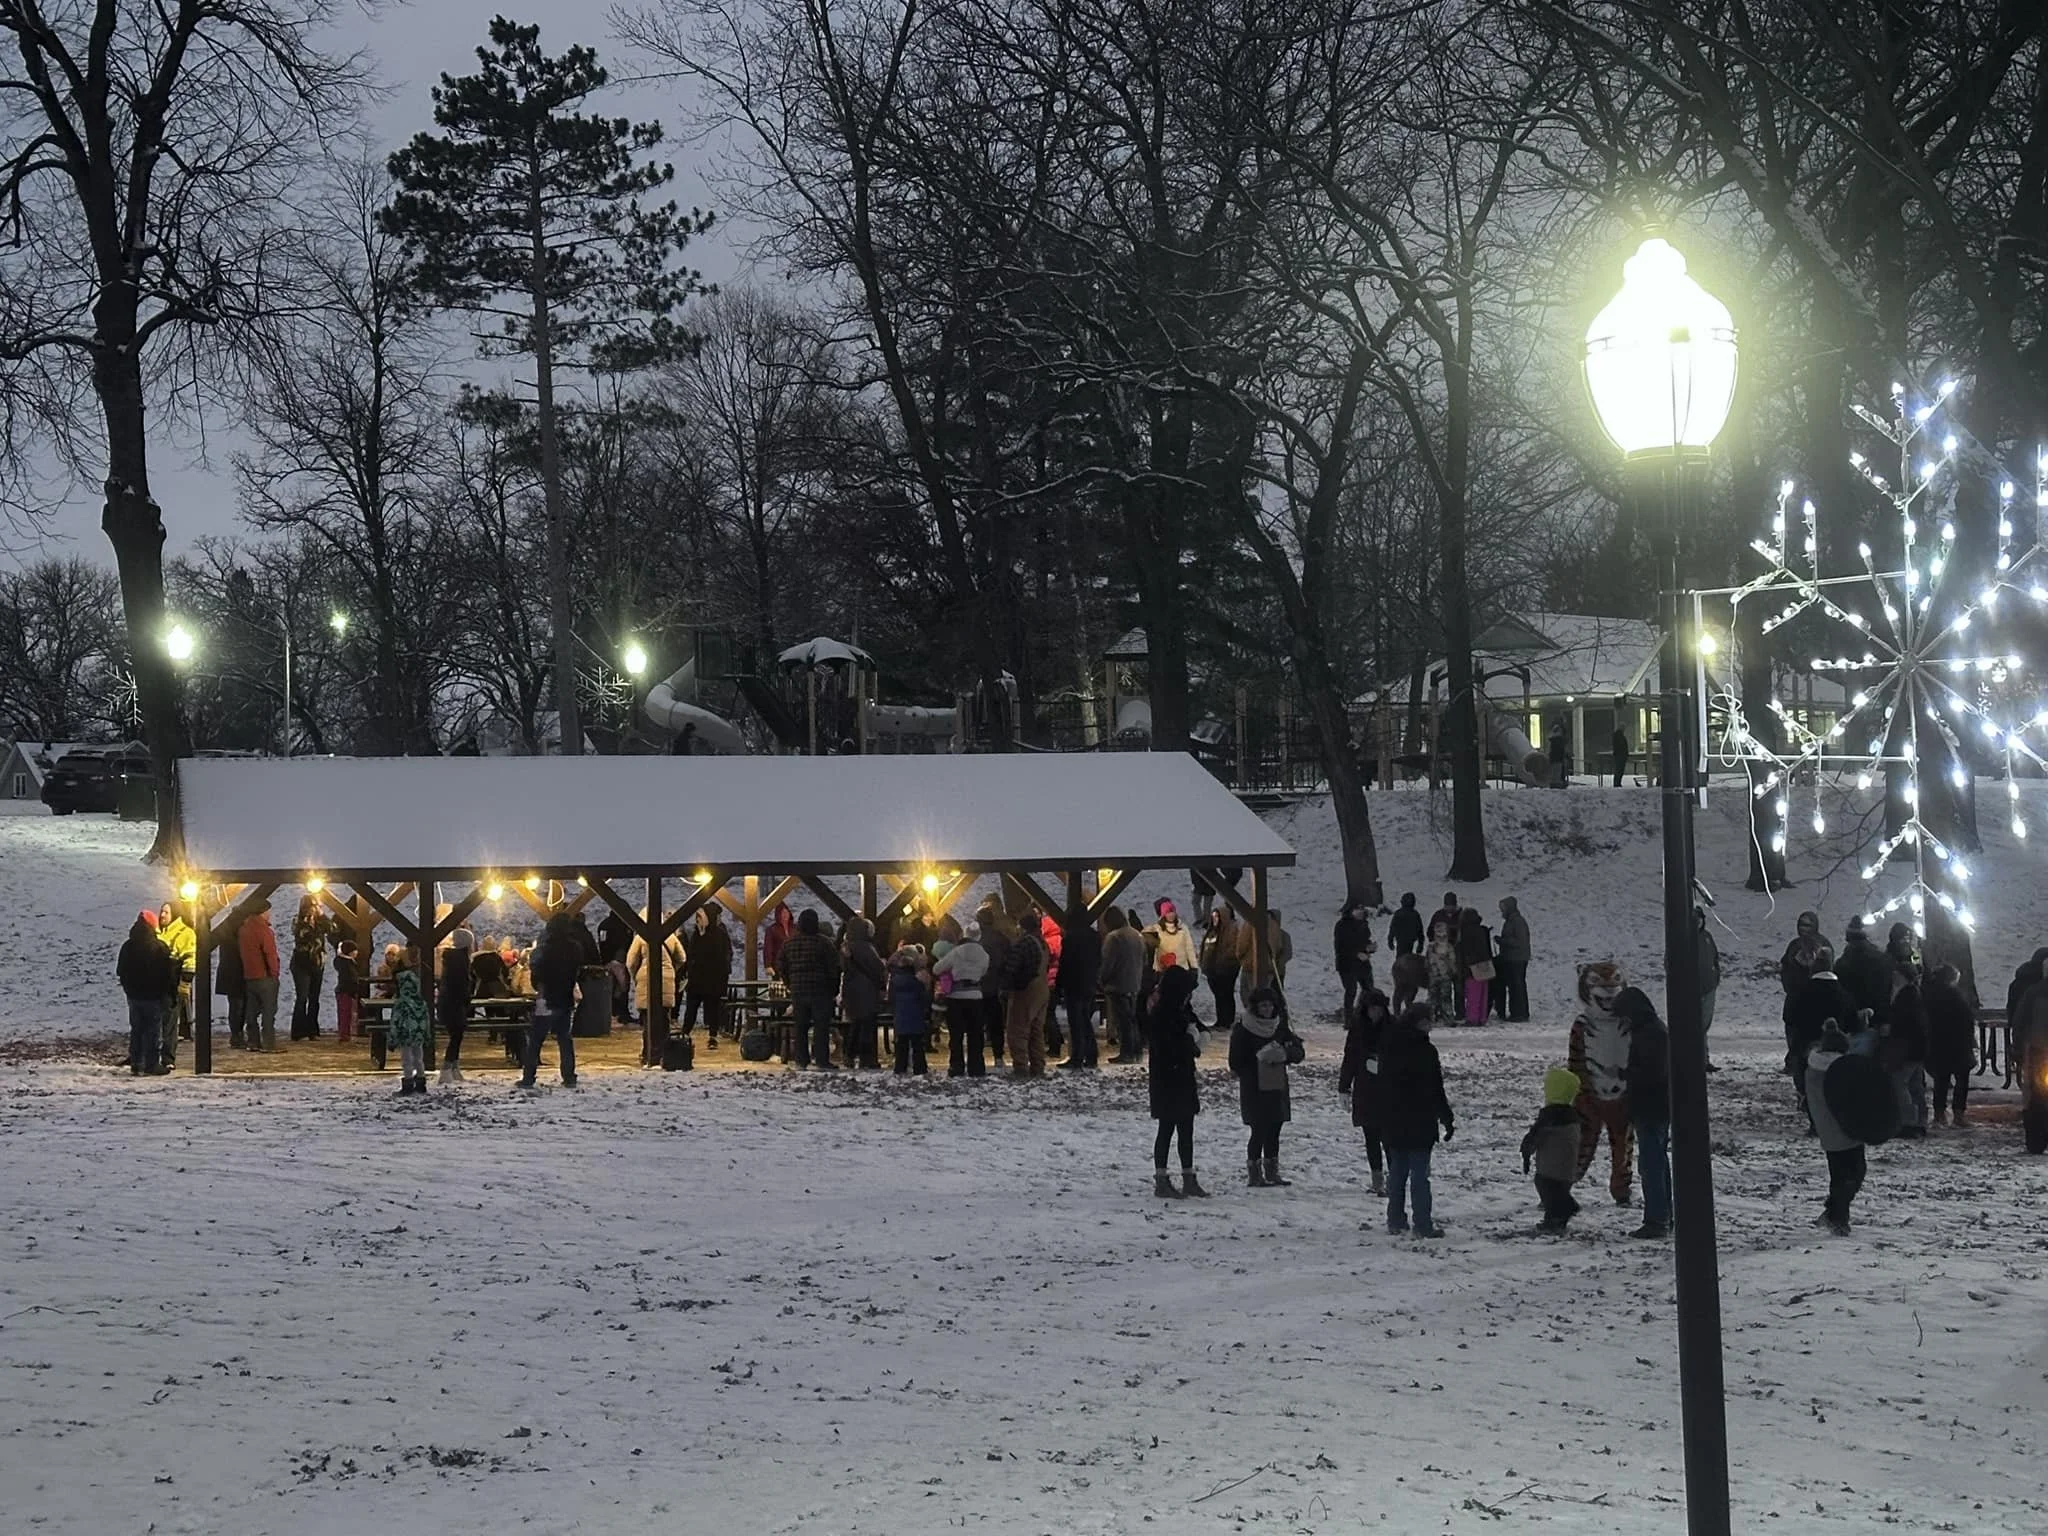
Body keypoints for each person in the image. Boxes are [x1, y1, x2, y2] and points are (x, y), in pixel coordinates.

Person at [1378, 1002, 1454, 1236]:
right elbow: (1435, 1087)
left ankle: (1395, 1219)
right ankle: (1422, 1223)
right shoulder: (1425, 1050)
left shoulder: (1390, 1045)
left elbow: (1382, 1083)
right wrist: (1446, 1117)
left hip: (1394, 1117)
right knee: (1420, 1174)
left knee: (1398, 1172)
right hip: (1420, 1117)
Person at [1568, 961, 1634, 1205]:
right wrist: (1580, 1092)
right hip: (1590, 1096)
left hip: (1622, 1095)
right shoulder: (1582, 1025)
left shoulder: (1629, 1023)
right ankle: (1562, 1187)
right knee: (1580, 1146)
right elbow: (1575, 1061)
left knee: (1623, 1148)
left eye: (1614, 983)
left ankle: (1622, 1190)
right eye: (1598, 983)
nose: (1607, 990)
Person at [1230, 986, 1304, 1186]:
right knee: (1259, 1128)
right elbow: (1235, 1061)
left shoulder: (1279, 1027)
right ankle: (1254, 1171)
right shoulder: (1244, 1029)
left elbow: (1298, 1051)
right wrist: (1259, 1060)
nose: (1267, 1010)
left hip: (1276, 1083)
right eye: (1263, 1006)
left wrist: (1285, 1055)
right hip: (1254, 1086)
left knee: (1275, 1127)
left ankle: (1272, 1170)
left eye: (1270, 1006)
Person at [1147, 959, 1207, 1198]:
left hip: (1180, 1075)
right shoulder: (1163, 1014)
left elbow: (1198, 1028)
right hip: (1168, 1077)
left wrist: (1196, 1037)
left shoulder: (1180, 1010)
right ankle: (1161, 1178)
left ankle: (1188, 1175)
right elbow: (1171, 1046)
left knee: (1185, 1129)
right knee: (1167, 1128)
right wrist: (1192, 1042)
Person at [1616, 987, 1671, 1238]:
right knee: (1658, 1162)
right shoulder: (1652, 1030)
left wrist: (1626, 1074)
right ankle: (1664, 1215)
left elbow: (1653, 1073)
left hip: (1651, 1107)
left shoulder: (1650, 1034)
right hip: (1656, 1106)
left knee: (1651, 1165)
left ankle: (1657, 1219)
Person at [1805, 1021, 1864, 1234]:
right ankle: (1836, 1217)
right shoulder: (1840, 1070)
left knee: (1840, 1175)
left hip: (1828, 1131)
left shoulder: (1813, 1068)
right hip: (1848, 1128)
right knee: (1854, 1174)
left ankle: (1835, 1216)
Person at [1785, 950, 1854, 1121]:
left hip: (1807, 1045)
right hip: (1837, 1048)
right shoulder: (1844, 994)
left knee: (1810, 1085)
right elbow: (1852, 1021)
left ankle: (1813, 1117)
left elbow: (1789, 1016)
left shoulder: (1802, 992)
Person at [1337, 987, 1391, 1196]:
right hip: (1365, 1090)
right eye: (1372, 1009)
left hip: (1388, 1090)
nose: (1375, 1013)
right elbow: (1349, 1058)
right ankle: (1377, 1178)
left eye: (1378, 1009)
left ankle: (1393, 1177)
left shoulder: (1393, 1028)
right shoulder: (1358, 1030)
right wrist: (1344, 1086)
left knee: (1389, 1137)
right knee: (1370, 1136)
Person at [521, 914, 582, 1088]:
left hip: (546, 998)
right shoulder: (575, 948)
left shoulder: (544, 950)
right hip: (565, 998)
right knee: (565, 1039)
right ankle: (569, 1076)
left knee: (536, 1039)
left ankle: (529, 1076)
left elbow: (537, 972)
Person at [777, 909, 842, 1070]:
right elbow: (834, 968)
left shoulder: (789, 944)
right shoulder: (825, 943)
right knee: (821, 1027)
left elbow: (781, 966)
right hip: (821, 991)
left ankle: (801, 1060)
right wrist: (833, 989)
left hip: (798, 991)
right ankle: (821, 1060)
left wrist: (789, 983)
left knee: (800, 1027)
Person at [1521, 1067, 1583, 1233]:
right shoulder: (1573, 1116)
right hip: (1567, 1168)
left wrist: (1526, 1150)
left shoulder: (1550, 1116)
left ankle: (1558, 1216)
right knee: (1558, 1192)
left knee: (1548, 1191)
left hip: (1549, 1168)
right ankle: (1561, 1215)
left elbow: (1535, 1136)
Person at [117, 911, 177, 1076]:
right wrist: (169, 994)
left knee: (137, 1029)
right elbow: (168, 974)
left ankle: (136, 1063)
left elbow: (121, 971)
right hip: (153, 997)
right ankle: (152, 1064)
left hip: (134, 996)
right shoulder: (159, 947)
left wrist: (129, 989)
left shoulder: (127, 946)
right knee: (153, 1031)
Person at [934, 920, 990, 1077]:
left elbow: (938, 969)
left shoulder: (957, 952)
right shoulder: (983, 954)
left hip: (956, 997)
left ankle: (956, 1066)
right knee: (976, 1034)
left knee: (956, 1035)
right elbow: (985, 970)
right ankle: (977, 1067)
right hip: (976, 996)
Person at [999, 914, 1051, 1078]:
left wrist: (1005, 987)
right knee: (1037, 1031)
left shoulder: (1024, 943)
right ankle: (1038, 1067)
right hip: (1043, 988)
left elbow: (1013, 967)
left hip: (1026, 990)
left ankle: (1020, 1067)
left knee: (1018, 1030)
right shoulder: (1043, 943)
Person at [1924, 964, 1976, 1127]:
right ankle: (1958, 1115)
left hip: (1938, 1043)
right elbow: (1966, 1019)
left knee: (1941, 1080)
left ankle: (1939, 1114)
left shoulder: (1928, 994)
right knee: (1962, 1080)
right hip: (1958, 1044)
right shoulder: (1956, 996)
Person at [1882, 976, 1929, 1138]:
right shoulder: (1916, 995)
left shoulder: (1905, 997)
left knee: (1900, 1084)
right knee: (1916, 1087)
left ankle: (1908, 1122)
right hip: (1917, 1048)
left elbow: (1902, 1024)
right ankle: (1921, 1121)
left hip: (1906, 1049)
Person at [839, 916, 887, 1070]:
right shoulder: (865, 947)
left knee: (855, 1024)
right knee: (866, 1025)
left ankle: (849, 1055)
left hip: (851, 991)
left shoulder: (846, 946)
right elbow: (877, 968)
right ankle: (867, 1058)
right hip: (867, 991)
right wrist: (882, 985)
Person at [1059, 902, 1102, 1069]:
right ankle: (1091, 1055)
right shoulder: (1094, 936)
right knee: (1085, 1020)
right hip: (1088, 982)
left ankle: (1077, 1056)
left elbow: (1065, 962)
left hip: (1073, 983)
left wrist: (1059, 984)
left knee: (1076, 1021)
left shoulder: (1071, 937)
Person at [1101, 908, 1148, 1062]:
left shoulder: (1113, 938)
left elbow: (1108, 963)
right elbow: (1144, 960)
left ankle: (1126, 1052)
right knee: (1132, 1019)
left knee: (1123, 1021)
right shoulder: (1137, 935)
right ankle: (1136, 1051)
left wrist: (1101, 980)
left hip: (1117, 984)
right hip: (1134, 983)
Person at [684, 908, 734, 1047]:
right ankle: (686, 1033)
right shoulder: (697, 934)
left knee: (711, 1009)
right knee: (692, 1008)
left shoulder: (718, 935)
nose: (697, 920)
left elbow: (723, 956)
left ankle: (711, 1036)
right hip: (700, 979)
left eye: (700, 917)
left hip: (711, 979)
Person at [1835, 915, 1892, 1031]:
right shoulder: (1881, 958)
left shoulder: (1843, 963)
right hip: (1877, 1018)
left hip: (1853, 1020)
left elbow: (1840, 993)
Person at [239, 900, 281, 1052]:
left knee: (252, 1012)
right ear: (263, 912)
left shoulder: (243, 929)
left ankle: (253, 1041)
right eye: (268, 911)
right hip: (265, 976)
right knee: (268, 1012)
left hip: (249, 976)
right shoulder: (264, 931)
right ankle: (269, 1043)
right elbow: (270, 954)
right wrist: (274, 973)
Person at [288, 894, 331, 1041]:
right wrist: (309, 921)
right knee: (302, 997)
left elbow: (333, 929)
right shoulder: (298, 921)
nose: (318, 909)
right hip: (301, 964)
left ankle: (312, 1030)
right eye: (316, 906)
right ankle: (298, 1031)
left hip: (317, 963)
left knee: (314, 998)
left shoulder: (320, 921)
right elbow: (302, 935)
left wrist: (323, 916)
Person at [436, 926, 474, 1085]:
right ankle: (447, 1068)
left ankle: (453, 1068)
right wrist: (467, 997)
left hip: (449, 1002)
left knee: (457, 1035)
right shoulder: (460, 961)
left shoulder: (452, 959)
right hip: (454, 1003)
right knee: (456, 1035)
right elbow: (461, 984)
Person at [976, 903, 1013, 1069]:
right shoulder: (1002, 939)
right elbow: (1009, 962)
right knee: (996, 1024)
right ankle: (999, 1057)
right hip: (996, 988)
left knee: (976, 1024)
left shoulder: (975, 941)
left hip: (977, 988)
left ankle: (976, 1057)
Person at [889, 941, 932, 1075]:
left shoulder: (895, 980)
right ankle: (920, 1068)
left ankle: (900, 1067)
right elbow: (924, 998)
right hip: (916, 1018)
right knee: (917, 1044)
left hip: (901, 1017)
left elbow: (891, 998)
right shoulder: (917, 982)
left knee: (901, 1043)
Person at [158, 901, 196, 1051]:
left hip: (172, 985)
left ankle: (167, 1057)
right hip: (158, 984)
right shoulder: (159, 932)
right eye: (162, 911)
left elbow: (190, 959)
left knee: (169, 1024)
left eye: (166, 912)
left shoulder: (185, 934)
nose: (162, 915)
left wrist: (185, 982)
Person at [389, 968, 431, 1096]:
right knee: (419, 1058)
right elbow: (427, 1020)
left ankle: (408, 1083)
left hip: (405, 1035)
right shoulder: (421, 1002)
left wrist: (392, 1039)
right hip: (418, 1035)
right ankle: (421, 1082)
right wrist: (427, 1035)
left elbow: (395, 1021)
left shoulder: (401, 1003)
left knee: (407, 1059)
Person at [1197, 906, 1240, 1031]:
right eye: (1213, 916)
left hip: (1226, 969)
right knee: (1218, 995)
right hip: (1212, 969)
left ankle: (1226, 1021)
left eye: (1217, 916)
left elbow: (1232, 950)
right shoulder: (1211, 931)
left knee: (1225, 995)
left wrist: (1222, 962)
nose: (1215, 919)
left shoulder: (1231, 931)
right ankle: (1221, 1020)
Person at [1333, 898, 1377, 1019]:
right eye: (1357, 909)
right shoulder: (1342, 925)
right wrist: (1356, 953)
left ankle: (1366, 1015)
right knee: (1351, 990)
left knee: (1369, 989)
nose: (1360, 912)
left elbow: (1364, 941)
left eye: (1362, 909)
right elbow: (1340, 946)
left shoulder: (1364, 924)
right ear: (1351, 911)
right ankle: (1348, 1018)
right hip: (1346, 963)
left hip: (1363, 963)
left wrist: (1369, 948)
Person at [1493, 897, 1530, 1022]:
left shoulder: (1517, 922)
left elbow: (1520, 941)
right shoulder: (1512, 921)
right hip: (1512, 958)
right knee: (1515, 986)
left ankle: (1519, 1013)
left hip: (1517, 959)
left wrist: (1503, 941)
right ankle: (1518, 1012)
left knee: (1517, 986)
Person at [1456, 907, 1494, 1026]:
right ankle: (1482, 1018)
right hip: (1485, 965)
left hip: (1472, 966)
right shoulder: (1482, 930)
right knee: (1483, 993)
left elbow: (1464, 950)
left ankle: (1472, 1018)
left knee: (1473, 994)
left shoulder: (1465, 931)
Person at [1696, 907, 1722, 1071]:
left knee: (1704, 1025)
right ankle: (1696, 1059)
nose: (1698, 921)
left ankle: (1704, 1059)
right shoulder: (1683, 937)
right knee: (1694, 1026)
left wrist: (1715, 977)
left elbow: (1715, 958)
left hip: (1708, 988)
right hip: (1690, 989)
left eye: (1700, 918)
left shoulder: (1707, 937)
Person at [217, 914, 248, 1050]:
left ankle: (237, 1034)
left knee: (237, 1006)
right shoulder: (236, 935)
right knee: (238, 1006)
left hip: (233, 974)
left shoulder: (227, 933)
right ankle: (237, 1034)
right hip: (236, 974)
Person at [1779, 911, 1828, 995]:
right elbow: (1785, 964)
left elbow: (1826, 970)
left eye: (1807, 926)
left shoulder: (1822, 944)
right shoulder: (1794, 944)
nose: (1803, 929)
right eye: (1801, 925)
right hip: (1794, 993)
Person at [1425, 918, 1460, 1022]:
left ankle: (1447, 1017)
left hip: (1444, 976)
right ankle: (1431, 1016)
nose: (1441, 938)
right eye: (1438, 935)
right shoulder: (1431, 947)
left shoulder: (1448, 947)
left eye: (1443, 935)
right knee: (1433, 997)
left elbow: (1452, 961)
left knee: (1445, 997)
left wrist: (1453, 970)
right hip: (1435, 975)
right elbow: (1427, 960)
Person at [334, 940, 363, 1044]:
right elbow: (350, 978)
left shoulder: (346, 962)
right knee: (345, 1013)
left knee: (346, 1013)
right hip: (346, 991)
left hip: (346, 991)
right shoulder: (346, 964)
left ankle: (346, 1033)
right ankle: (344, 1034)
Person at [1387, 892, 1424, 958]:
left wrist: (1390, 940)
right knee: (1408, 958)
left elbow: (1392, 928)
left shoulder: (1398, 913)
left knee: (1400, 958)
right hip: (1410, 941)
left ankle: (1400, 967)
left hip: (1401, 940)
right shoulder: (1415, 914)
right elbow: (1420, 931)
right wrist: (1420, 944)